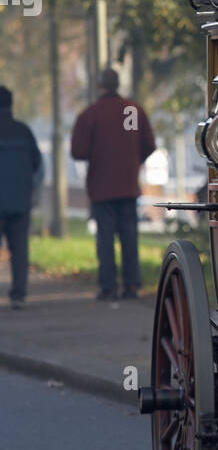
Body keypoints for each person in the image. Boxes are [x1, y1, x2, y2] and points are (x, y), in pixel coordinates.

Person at [70, 68, 156, 300]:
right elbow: (149, 143)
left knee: (105, 240)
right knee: (130, 237)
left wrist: (97, 153)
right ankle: (132, 285)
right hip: (128, 184)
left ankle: (108, 287)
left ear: (100, 86)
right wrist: (134, 159)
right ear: (118, 85)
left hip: (101, 187)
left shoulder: (91, 114)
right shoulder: (133, 110)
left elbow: (78, 151)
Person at [0, 86, 43, 309]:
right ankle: (19, 294)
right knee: (20, 250)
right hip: (20, 200)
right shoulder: (24, 131)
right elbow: (37, 163)